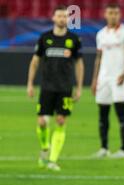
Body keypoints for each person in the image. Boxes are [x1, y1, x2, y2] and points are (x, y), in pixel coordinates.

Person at [27, 5, 84, 171]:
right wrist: (30, 83)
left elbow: (79, 64)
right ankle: (45, 148)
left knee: (60, 121)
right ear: (53, 18)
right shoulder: (44, 38)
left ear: (68, 19)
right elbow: (35, 61)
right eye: (59, 16)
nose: (62, 19)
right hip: (47, 87)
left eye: (65, 16)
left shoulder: (74, 40)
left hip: (65, 88)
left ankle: (52, 160)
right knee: (42, 122)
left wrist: (79, 87)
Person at [91, 3, 124, 159]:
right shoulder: (101, 34)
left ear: (120, 15)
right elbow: (99, 57)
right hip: (103, 78)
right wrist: (95, 79)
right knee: (102, 114)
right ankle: (104, 148)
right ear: (105, 14)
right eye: (110, 13)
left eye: (116, 13)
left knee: (120, 113)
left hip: (119, 78)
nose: (113, 16)